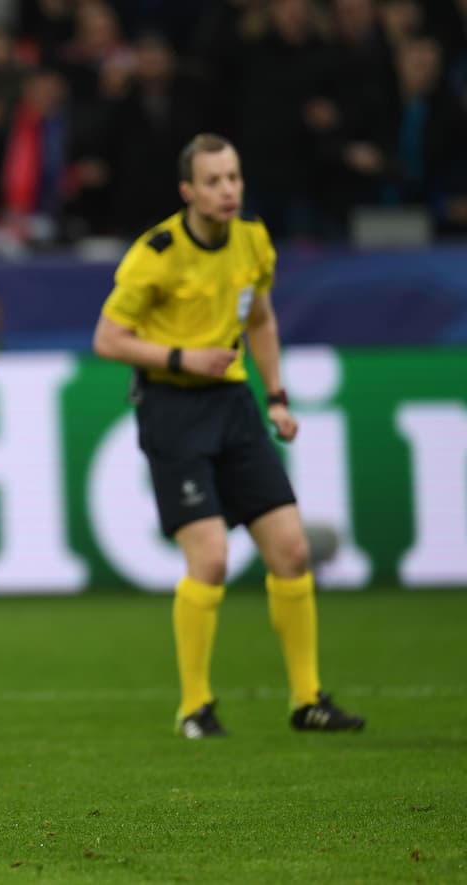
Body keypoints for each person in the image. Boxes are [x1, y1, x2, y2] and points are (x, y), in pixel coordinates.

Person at [91, 133, 365, 739]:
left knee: (292, 549)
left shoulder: (252, 240)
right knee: (210, 559)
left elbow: (260, 318)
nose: (228, 190)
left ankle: (307, 700)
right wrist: (183, 357)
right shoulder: (155, 253)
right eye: (214, 181)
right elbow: (108, 339)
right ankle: (194, 707)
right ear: (188, 191)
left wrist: (277, 396)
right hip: (171, 406)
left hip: (234, 406)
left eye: (234, 178)